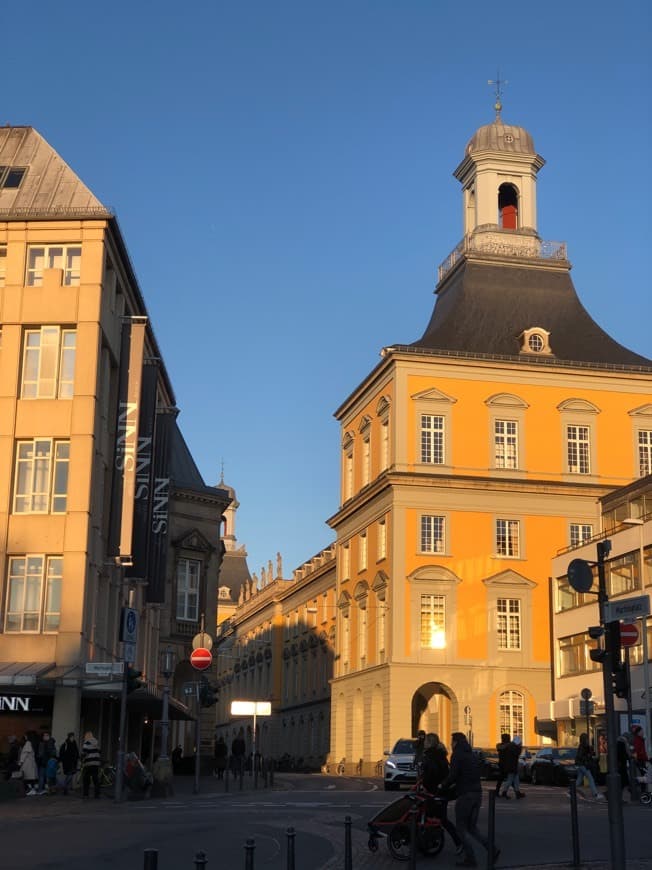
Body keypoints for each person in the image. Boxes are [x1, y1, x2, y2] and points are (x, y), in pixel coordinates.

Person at [439, 732, 500, 868]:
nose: (450, 744)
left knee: (461, 829)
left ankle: (470, 858)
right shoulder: (471, 754)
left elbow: (453, 775)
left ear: (455, 742)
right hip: (477, 794)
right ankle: (492, 849)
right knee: (472, 827)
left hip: (465, 795)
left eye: (451, 741)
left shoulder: (457, 755)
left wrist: (442, 785)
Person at [420, 732, 463, 854]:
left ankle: (455, 842)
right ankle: (434, 840)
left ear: (429, 743)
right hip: (440, 792)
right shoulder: (440, 755)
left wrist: (424, 783)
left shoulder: (431, 756)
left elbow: (431, 774)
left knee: (436, 817)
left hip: (435, 792)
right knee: (438, 818)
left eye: (426, 741)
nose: (424, 743)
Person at [574, 732, 603, 800]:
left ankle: (571, 790)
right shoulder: (583, 746)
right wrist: (588, 756)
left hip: (580, 764)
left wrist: (589, 754)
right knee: (590, 778)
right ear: (585, 739)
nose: (588, 739)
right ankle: (595, 794)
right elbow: (581, 756)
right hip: (583, 765)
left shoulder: (583, 746)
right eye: (587, 738)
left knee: (579, 779)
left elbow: (583, 755)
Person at [499, 734, 525, 799]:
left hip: (511, 766)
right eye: (520, 743)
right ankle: (504, 792)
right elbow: (517, 753)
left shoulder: (510, 746)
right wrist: (520, 747)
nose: (521, 744)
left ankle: (517, 792)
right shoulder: (514, 747)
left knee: (516, 780)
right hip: (512, 766)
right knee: (510, 780)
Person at [81, 731, 101, 798]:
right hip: (96, 763)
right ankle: (97, 794)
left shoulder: (87, 742)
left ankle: (86, 794)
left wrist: (81, 758)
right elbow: (99, 751)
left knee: (86, 779)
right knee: (96, 779)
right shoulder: (96, 742)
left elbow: (84, 753)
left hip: (88, 763)